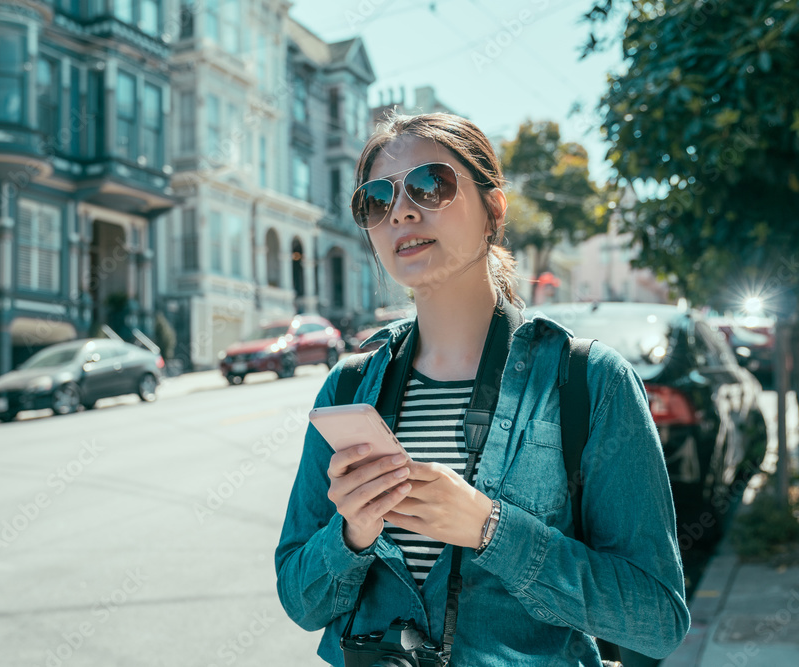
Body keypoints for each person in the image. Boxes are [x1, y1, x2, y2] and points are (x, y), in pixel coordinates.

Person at [274, 112, 690, 665]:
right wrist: (351, 535)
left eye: (431, 185)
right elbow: (301, 601)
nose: (400, 210)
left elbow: (657, 619)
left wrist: (490, 530)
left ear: (494, 209)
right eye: (375, 199)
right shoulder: (348, 388)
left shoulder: (591, 381)